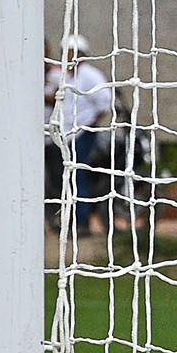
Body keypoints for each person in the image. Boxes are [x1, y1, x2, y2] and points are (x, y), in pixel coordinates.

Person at [46, 34, 114, 237]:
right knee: (66, 177)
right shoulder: (65, 76)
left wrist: (90, 124)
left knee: (78, 176)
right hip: (66, 135)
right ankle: (69, 219)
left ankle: (82, 222)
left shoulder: (90, 75)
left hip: (83, 133)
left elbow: (105, 102)